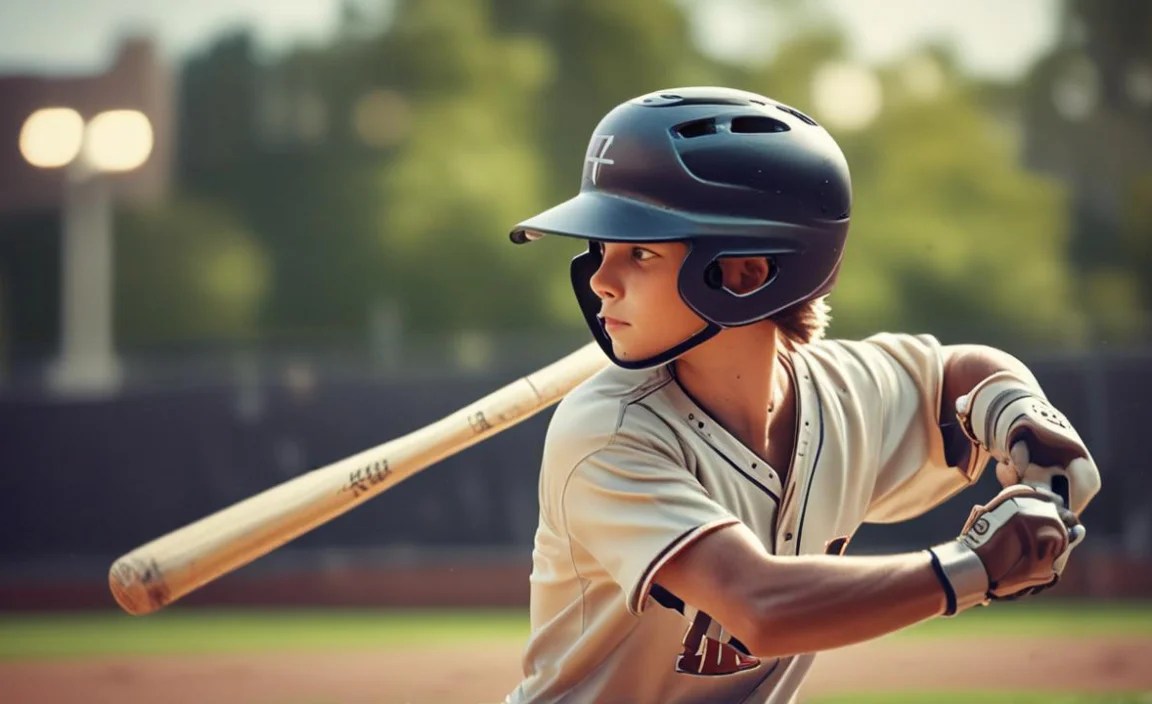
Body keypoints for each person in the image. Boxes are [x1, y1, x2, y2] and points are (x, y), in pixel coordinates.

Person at [502, 87, 1101, 704]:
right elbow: (759, 606)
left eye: (640, 251)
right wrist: (973, 570)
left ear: (745, 273)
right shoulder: (608, 432)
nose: (600, 279)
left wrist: (1023, 416)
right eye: (601, 249)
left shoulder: (835, 391)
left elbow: (958, 371)